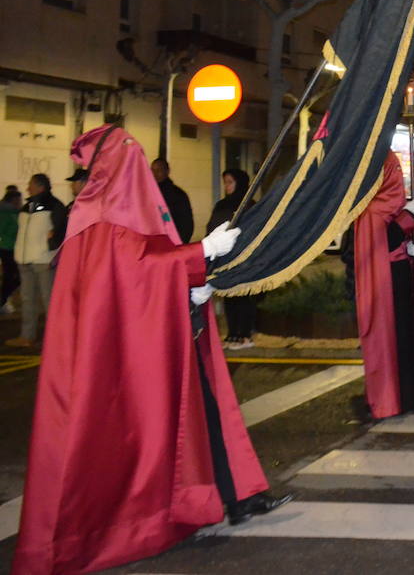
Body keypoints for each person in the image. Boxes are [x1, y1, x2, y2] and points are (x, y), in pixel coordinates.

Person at [13, 125, 288, 575]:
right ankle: (222, 500)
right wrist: (201, 253)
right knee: (180, 421)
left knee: (203, 412)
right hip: (131, 353)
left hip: (166, 329)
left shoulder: (117, 215)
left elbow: (144, 265)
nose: (140, 164)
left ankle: (237, 495)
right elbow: (135, 271)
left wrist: (190, 285)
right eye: (132, 155)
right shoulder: (101, 220)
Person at [351, 151, 414, 419]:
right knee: (397, 340)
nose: (398, 179)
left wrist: (412, 247)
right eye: (394, 174)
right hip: (388, 285)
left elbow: (397, 237)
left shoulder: (389, 206)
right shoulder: (372, 209)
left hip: (402, 277)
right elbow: (383, 241)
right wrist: (407, 218)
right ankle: (398, 397)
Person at [7, 174, 67, 348]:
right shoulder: (28, 206)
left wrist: (51, 246)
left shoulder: (55, 206)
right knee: (28, 299)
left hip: (43, 259)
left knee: (49, 300)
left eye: (30, 185)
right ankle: (27, 335)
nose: (27, 188)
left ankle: (55, 340)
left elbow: (61, 230)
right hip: (25, 258)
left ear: (40, 186)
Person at [208, 169, 258, 349]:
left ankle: (245, 334)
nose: (226, 186)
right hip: (224, 257)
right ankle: (232, 332)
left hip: (242, 257)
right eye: (225, 182)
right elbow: (212, 226)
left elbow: (253, 231)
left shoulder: (249, 205)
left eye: (230, 182)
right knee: (228, 295)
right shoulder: (222, 205)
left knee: (242, 295)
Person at [150, 157, 195, 245]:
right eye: (152, 170)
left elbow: (186, 224)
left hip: (172, 244)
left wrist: (179, 244)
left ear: (167, 171)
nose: (155, 174)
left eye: (159, 170)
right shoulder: (147, 193)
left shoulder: (178, 195)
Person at [0, 187, 20, 314]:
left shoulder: (12, 212)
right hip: (8, 248)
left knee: (11, 276)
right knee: (12, 276)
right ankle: (3, 300)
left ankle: (3, 300)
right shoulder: (9, 213)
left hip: (10, 247)